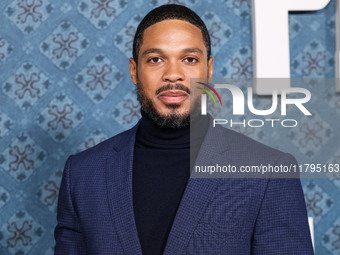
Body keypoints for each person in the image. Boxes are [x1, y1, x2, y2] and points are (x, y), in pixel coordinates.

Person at [54, 4, 314, 255]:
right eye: (155, 59)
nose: (173, 74)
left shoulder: (269, 172)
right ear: (134, 71)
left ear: (208, 69)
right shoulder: (82, 174)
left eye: (189, 59)